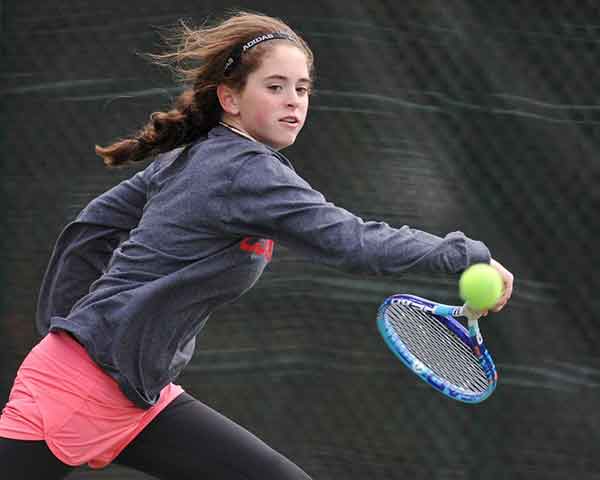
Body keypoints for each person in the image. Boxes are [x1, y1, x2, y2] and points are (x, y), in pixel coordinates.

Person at [0, 10, 514, 480]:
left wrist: (72, 333)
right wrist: (463, 253)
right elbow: (352, 242)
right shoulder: (244, 171)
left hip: (137, 396)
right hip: (78, 390)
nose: (294, 100)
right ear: (230, 97)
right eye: (275, 86)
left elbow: (91, 226)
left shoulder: (198, 157)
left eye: (302, 88)